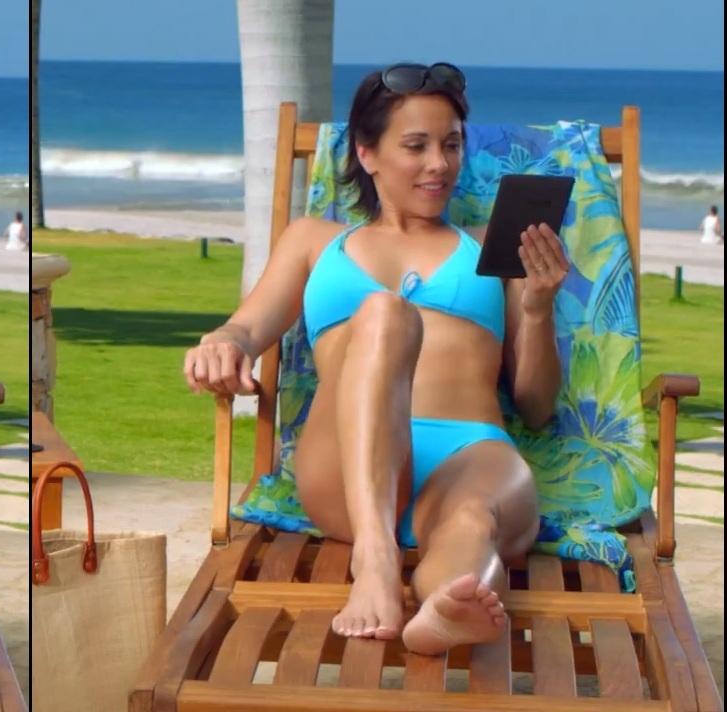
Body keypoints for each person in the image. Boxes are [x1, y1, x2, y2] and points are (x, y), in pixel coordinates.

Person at [182, 62, 565, 655]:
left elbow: (536, 408)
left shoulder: (494, 245)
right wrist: (223, 343)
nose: (439, 164)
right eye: (416, 146)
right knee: (385, 314)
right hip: (345, 464)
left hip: (468, 454)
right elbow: (246, 327)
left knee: (472, 521)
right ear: (367, 153)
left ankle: (448, 609)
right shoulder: (313, 240)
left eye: (451, 145)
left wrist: (537, 309)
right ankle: (377, 555)